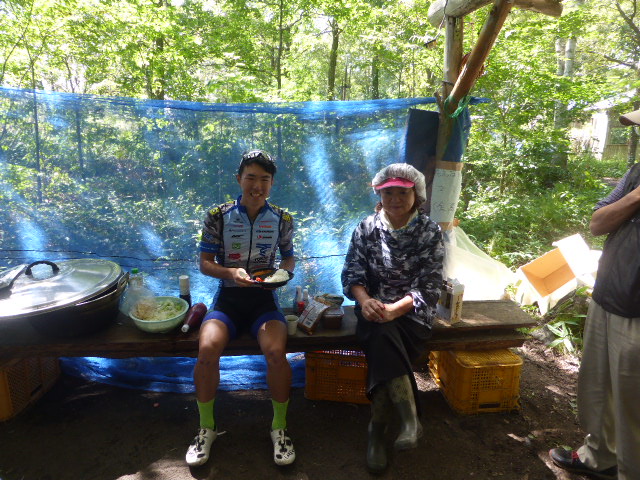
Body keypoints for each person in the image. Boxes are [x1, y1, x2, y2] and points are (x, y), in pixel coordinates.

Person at [186, 149, 296, 468]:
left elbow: (289, 257)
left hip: (264, 301)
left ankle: (280, 429)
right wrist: (230, 273)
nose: (257, 186)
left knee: (276, 352)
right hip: (228, 301)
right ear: (239, 179)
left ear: (272, 183)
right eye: (251, 178)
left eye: (264, 179)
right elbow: (205, 264)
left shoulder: (282, 218)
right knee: (207, 350)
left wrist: (282, 275)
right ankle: (205, 428)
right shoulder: (217, 216)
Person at [549, 108, 640, 480]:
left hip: (637, 315)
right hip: (607, 297)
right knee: (598, 390)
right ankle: (598, 457)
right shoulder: (635, 174)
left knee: (633, 406)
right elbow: (598, 222)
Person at [341, 163, 444, 473]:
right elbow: (352, 273)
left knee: (383, 338)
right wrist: (365, 301)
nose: (395, 199)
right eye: (388, 193)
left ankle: (376, 432)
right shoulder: (366, 228)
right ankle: (409, 420)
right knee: (381, 331)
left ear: (416, 195)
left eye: (403, 192)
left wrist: (395, 310)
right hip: (372, 309)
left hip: (412, 313)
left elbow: (430, 285)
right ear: (379, 194)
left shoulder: (429, 231)